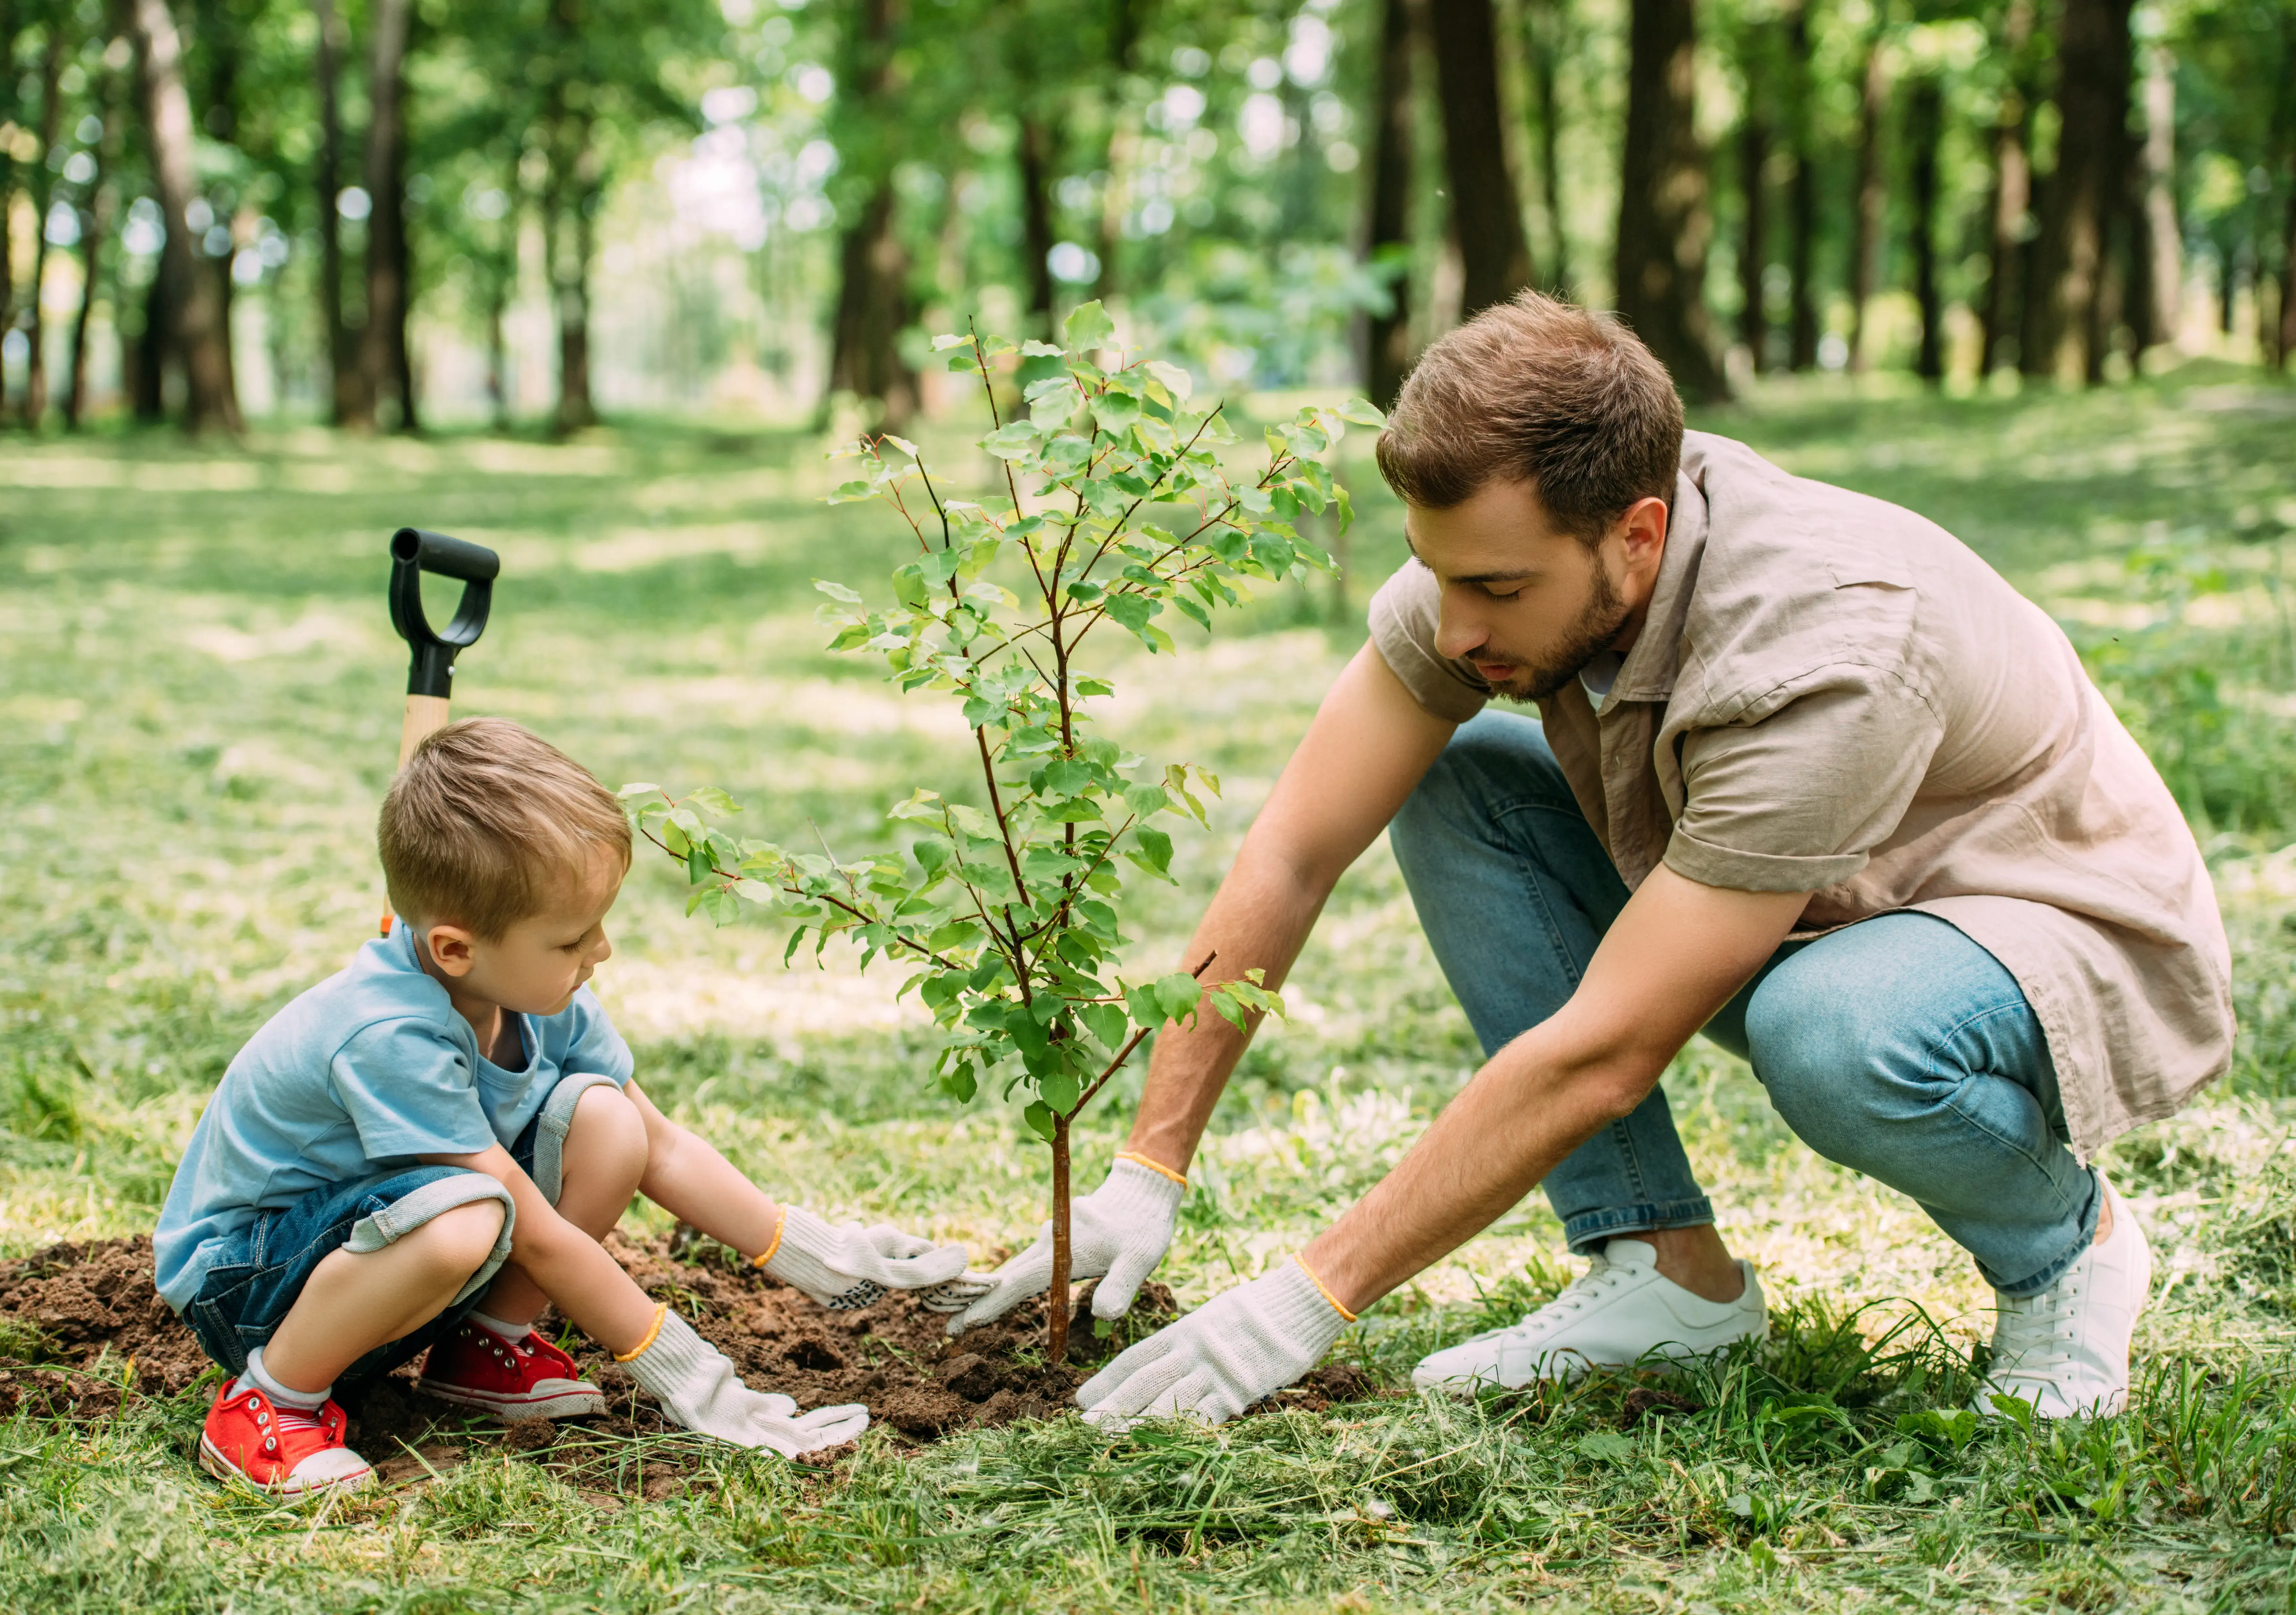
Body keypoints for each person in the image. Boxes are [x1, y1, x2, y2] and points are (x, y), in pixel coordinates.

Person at [950, 293, 2232, 1427]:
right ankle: (1664, 1277)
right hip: (1813, 891)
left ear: (1635, 533)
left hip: (2039, 925)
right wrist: (1146, 1164)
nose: (1456, 628)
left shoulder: (1822, 648)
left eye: (1497, 590)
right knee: (1458, 787)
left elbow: (1610, 1048)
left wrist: (1302, 1298)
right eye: (1435, 575)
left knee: (1828, 1028)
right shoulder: (1489, 566)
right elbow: (1293, 845)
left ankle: (2067, 1254)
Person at [155, 718, 980, 1496]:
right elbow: (536, 1232)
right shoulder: (387, 1033)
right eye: (571, 938)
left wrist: (818, 1255)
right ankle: (268, 1404)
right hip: (251, 1283)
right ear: (454, 948)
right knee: (470, 1213)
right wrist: (693, 1376)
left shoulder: (535, 992)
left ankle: (482, 1350)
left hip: (374, 1252)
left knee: (606, 1122)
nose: (601, 951)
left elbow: (657, 1145)